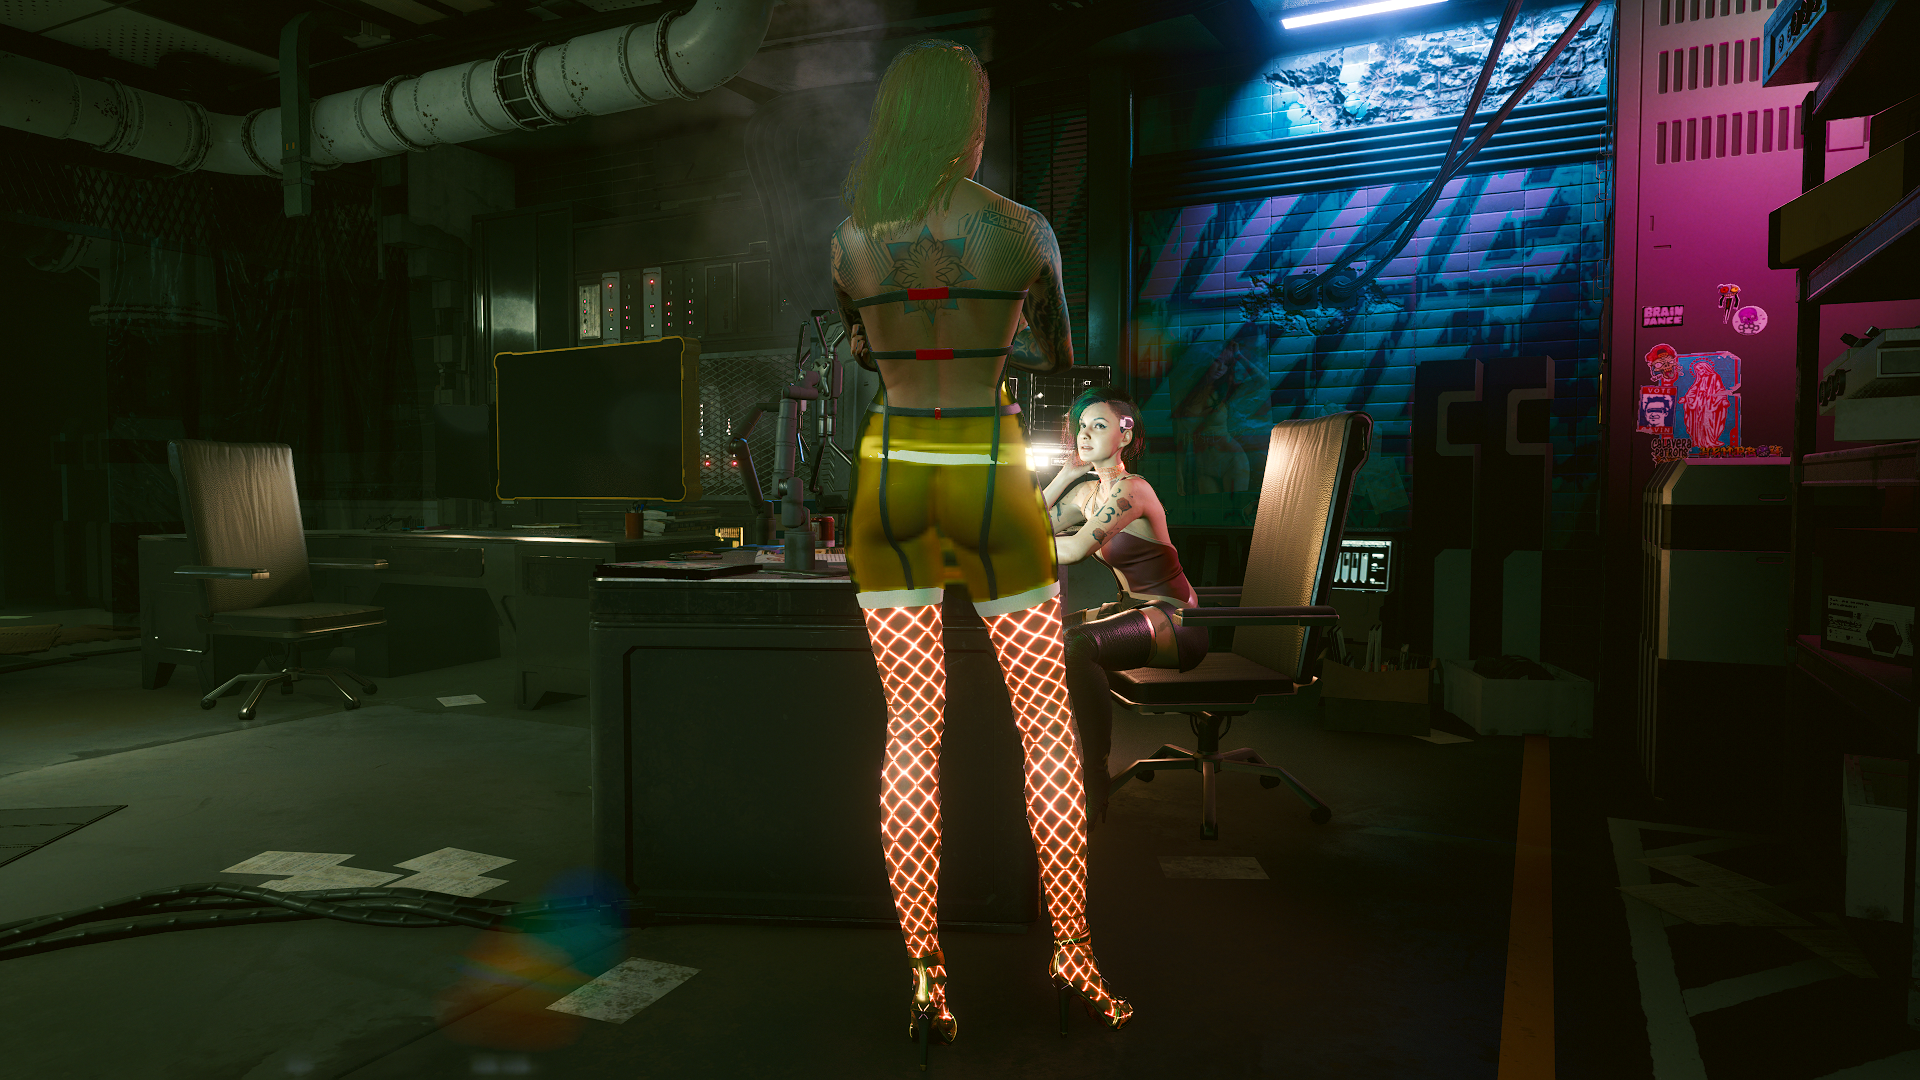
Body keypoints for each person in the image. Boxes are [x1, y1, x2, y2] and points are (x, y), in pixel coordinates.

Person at [830, 39, 1133, 1053]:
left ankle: (926, 977)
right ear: (968, 122)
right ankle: (1072, 955)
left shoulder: (849, 241)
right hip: (985, 477)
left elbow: (865, 347)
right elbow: (1056, 352)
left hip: (894, 477)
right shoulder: (1020, 230)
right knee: (1044, 723)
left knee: (911, 728)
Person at [1044, 388, 1204, 828]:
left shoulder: (1133, 490)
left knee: (1075, 646)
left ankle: (1094, 775)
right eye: (1081, 426)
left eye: (1099, 425)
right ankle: (1043, 761)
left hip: (1177, 621)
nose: (1085, 434)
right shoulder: (1087, 494)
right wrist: (1064, 475)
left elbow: (1073, 550)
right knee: (1044, 637)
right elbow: (1025, 526)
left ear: (1125, 436)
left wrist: (1018, 546)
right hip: (1131, 611)